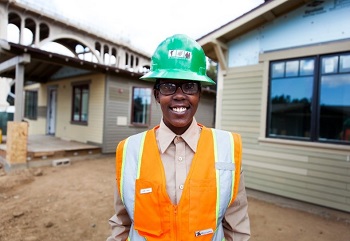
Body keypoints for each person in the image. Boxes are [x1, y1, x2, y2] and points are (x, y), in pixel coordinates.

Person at [107, 34, 250, 241]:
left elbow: (237, 227)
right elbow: (121, 223)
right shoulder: (129, 150)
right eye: (168, 86)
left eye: (189, 86)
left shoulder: (227, 149)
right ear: (157, 95)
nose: (179, 95)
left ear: (199, 93)